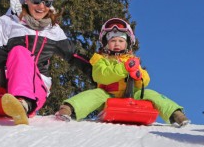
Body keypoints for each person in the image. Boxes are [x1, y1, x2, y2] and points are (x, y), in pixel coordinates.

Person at [54, 18, 191, 127]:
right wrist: (123, 69)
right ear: (106, 43)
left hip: (131, 95)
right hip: (108, 95)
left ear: (127, 43)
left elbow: (145, 80)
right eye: (113, 40)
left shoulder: (132, 60)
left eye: (120, 40)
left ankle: (176, 114)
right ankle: (68, 109)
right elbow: (100, 75)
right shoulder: (100, 59)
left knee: (152, 94)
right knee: (93, 95)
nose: (117, 44)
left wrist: (138, 76)